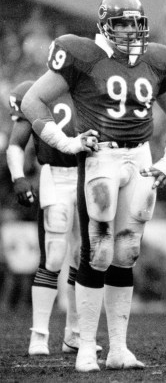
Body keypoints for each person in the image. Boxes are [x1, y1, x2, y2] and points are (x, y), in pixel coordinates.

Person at [20, 0, 166, 372]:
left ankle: (119, 348)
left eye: (134, 23)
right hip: (101, 157)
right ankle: (84, 345)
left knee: (127, 251)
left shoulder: (157, 60)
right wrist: (65, 142)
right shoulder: (81, 55)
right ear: (104, 25)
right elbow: (33, 101)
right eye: (121, 23)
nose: (129, 30)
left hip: (140, 156)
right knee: (97, 251)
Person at [6, 81, 103, 357]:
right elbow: (16, 143)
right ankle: (39, 334)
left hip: (90, 175)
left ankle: (74, 334)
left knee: (82, 257)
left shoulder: (92, 85)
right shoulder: (34, 91)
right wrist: (19, 177)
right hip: (56, 177)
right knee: (53, 254)